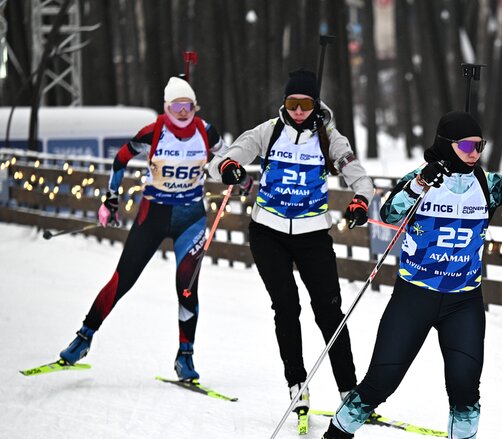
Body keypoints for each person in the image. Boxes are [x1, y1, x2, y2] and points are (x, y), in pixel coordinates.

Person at [296, 111, 502, 439]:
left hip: (463, 301)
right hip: (415, 297)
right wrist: (417, 185)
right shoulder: (424, 178)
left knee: (465, 390)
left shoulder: (489, 183)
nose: (474, 152)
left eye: (479, 145)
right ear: (447, 144)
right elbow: (389, 213)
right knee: (379, 384)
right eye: (467, 145)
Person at [207, 69, 374, 419]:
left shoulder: (329, 138)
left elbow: (359, 176)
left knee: (329, 312)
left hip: (313, 236)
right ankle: (297, 384)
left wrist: (360, 200)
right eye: (292, 103)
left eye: (305, 104)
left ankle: (349, 390)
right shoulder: (269, 132)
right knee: (287, 307)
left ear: (315, 105)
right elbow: (222, 161)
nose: (298, 110)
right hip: (268, 233)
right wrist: (229, 169)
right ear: (284, 103)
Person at [58, 77, 225, 380]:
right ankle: (83, 337)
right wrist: (111, 199)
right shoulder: (153, 131)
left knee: (187, 287)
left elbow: (227, 159)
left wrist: (240, 176)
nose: (183, 112)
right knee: (122, 279)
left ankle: (185, 357)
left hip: (191, 219)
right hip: (153, 216)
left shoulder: (206, 131)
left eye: (188, 105)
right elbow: (120, 159)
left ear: (195, 107)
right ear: (166, 107)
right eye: (177, 106)